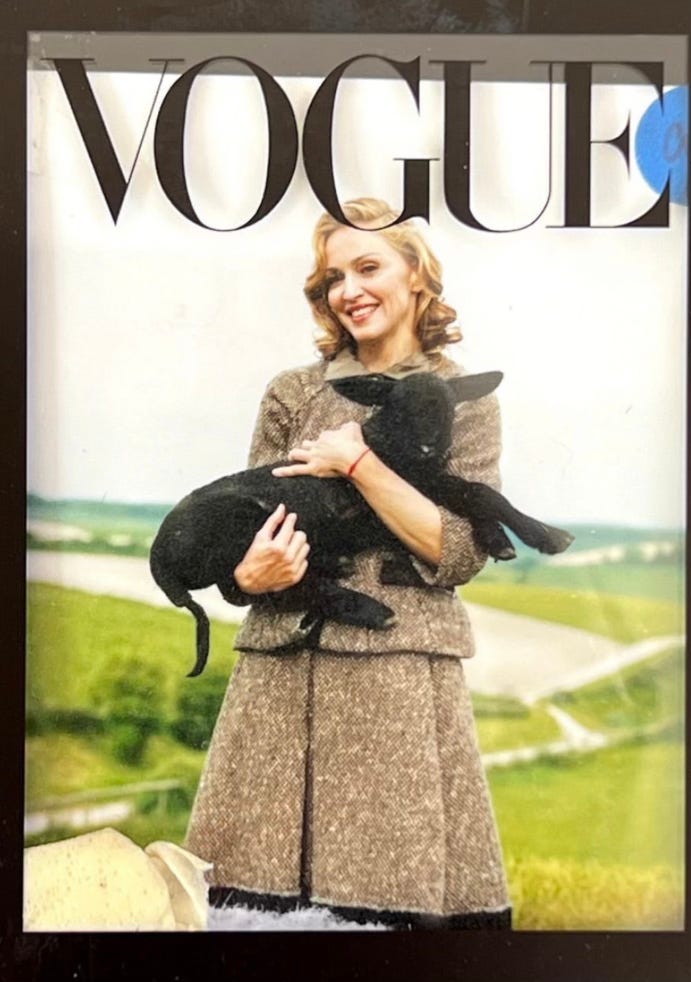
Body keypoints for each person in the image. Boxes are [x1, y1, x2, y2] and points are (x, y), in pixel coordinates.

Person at [185, 198, 511, 930]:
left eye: (368, 267)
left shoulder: (466, 400)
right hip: (279, 676)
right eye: (334, 277)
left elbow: (460, 551)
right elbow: (246, 526)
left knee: (394, 915)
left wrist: (359, 464)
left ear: (417, 275)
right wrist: (244, 579)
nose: (349, 290)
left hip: (398, 681)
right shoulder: (293, 393)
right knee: (247, 920)